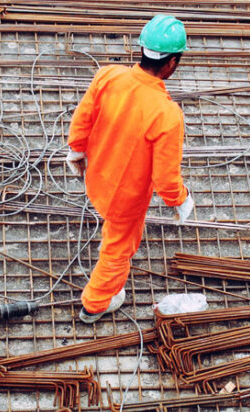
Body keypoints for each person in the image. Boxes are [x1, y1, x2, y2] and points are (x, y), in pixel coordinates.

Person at [65, 14, 195, 324]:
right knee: (118, 250)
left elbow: (83, 117)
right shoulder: (167, 115)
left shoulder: (108, 75)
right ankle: (94, 305)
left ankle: (99, 297)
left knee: (113, 235)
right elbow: (165, 179)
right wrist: (181, 199)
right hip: (125, 199)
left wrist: (76, 150)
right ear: (172, 63)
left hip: (96, 177)